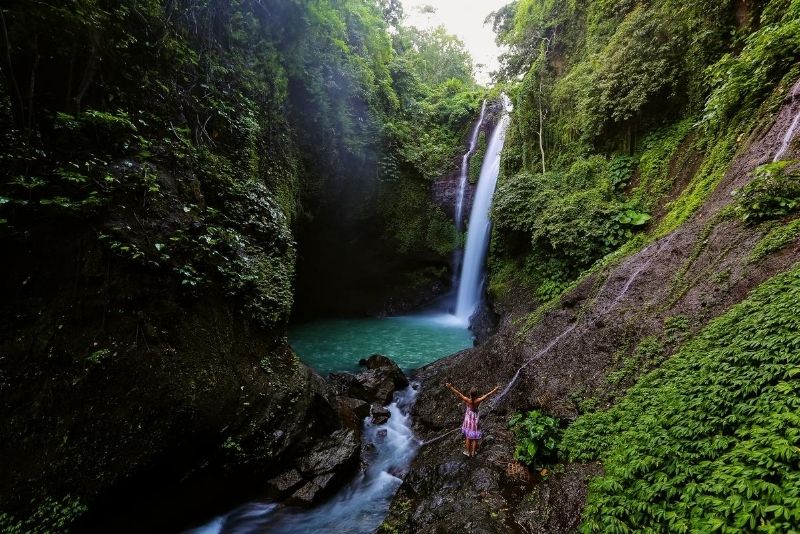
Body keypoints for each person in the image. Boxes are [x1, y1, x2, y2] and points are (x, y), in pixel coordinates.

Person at [445, 382, 500, 457]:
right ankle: (474, 452)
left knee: (468, 436)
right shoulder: (478, 400)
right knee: (475, 436)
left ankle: (468, 452)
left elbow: (458, 393)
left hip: (468, 419)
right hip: (475, 418)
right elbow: (487, 395)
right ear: (476, 394)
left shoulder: (467, 400)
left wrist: (450, 387)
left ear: (470, 394)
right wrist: (495, 389)